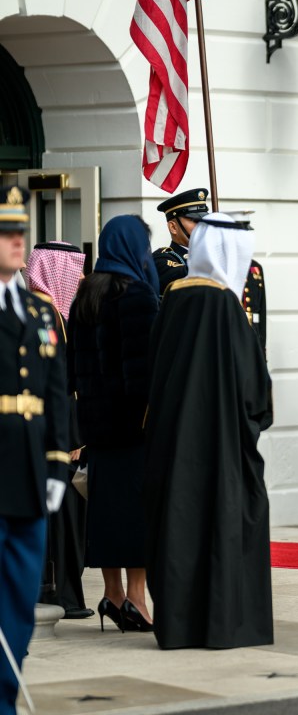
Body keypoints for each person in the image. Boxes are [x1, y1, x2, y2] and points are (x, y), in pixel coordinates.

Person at [144, 213, 274, 650]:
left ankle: (178, 627)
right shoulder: (225, 307)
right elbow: (254, 392)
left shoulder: (174, 299)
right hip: (220, 446)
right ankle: (221, 624)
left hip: (172, 444)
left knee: (179, 528)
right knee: (222, 526)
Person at [68, 214, 159, 633]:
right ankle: (137, 600)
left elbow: (74, 371)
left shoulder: (83, 294)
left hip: (97, 428)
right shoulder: (137, 294)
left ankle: (112, 595)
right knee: (138, 514)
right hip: (132, 428)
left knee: (104, 513)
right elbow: (141, 375)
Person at [0, 184, 71, 715]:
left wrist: (57, 464)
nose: (16, 242)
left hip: (28, 474)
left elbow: (54, 395)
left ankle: (8, 680)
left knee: (21, 599)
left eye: (20, 232)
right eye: (6, 233)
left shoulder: (40, 313)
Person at [24, 242, 90, 620]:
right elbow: (56, 387)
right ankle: (63, 595)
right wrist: (72, 438)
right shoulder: (47, 315)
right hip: (56, 437)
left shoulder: (45, 311)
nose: (80, 278)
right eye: (74, 268)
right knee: (63, 518)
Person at [151, 187, 209, 295]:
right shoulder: (161, 259)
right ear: (173, 227)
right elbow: (185, 276)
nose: (202, 226)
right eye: (194, 220)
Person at [225, 211, 268, 357]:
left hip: (253, 338)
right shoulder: (220, 267)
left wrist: (262, 348)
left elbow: (261, 311)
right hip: (230, 338)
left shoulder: (255, 268)